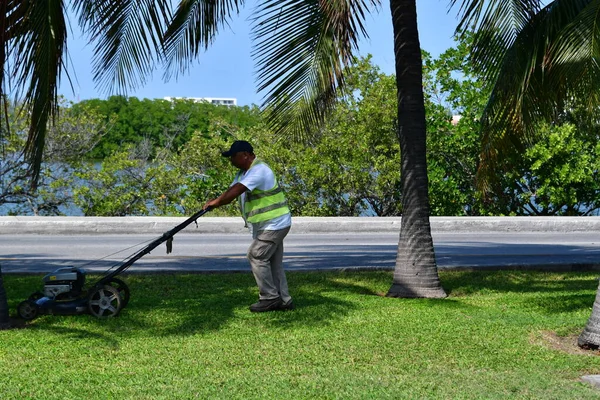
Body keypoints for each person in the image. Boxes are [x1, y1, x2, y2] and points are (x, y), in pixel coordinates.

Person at [203, 140, 294, 312]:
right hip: (267, 224)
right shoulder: (243, 173)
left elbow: (236, 191)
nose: (230, 161)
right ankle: (284, 300)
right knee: (273, 262)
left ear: (245, 155)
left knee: (256, 255)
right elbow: (229, 192)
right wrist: (214, 202)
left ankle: (269, 298)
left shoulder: (259, 170)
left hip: (275, 223)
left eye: (233, 156)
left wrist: (216, 202)